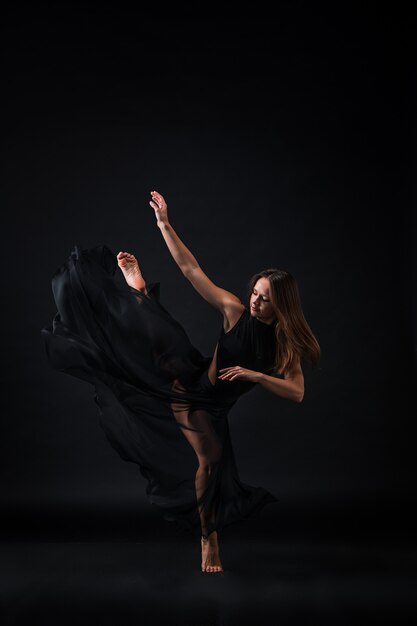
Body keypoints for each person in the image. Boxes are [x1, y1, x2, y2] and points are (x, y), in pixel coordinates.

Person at [41, 190, 321, 574]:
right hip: (191, 392)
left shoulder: (285, 348)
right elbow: (192, 271)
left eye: (265, 300)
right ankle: (209, 538)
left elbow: (298, 392)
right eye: (255, 293)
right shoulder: (235, 312)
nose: (255, 302)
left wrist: (255, 374)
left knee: (168, 353)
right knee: (208, 455)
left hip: (216, 405)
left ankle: (140, 295)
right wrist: (164, 224)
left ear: (282, 305)